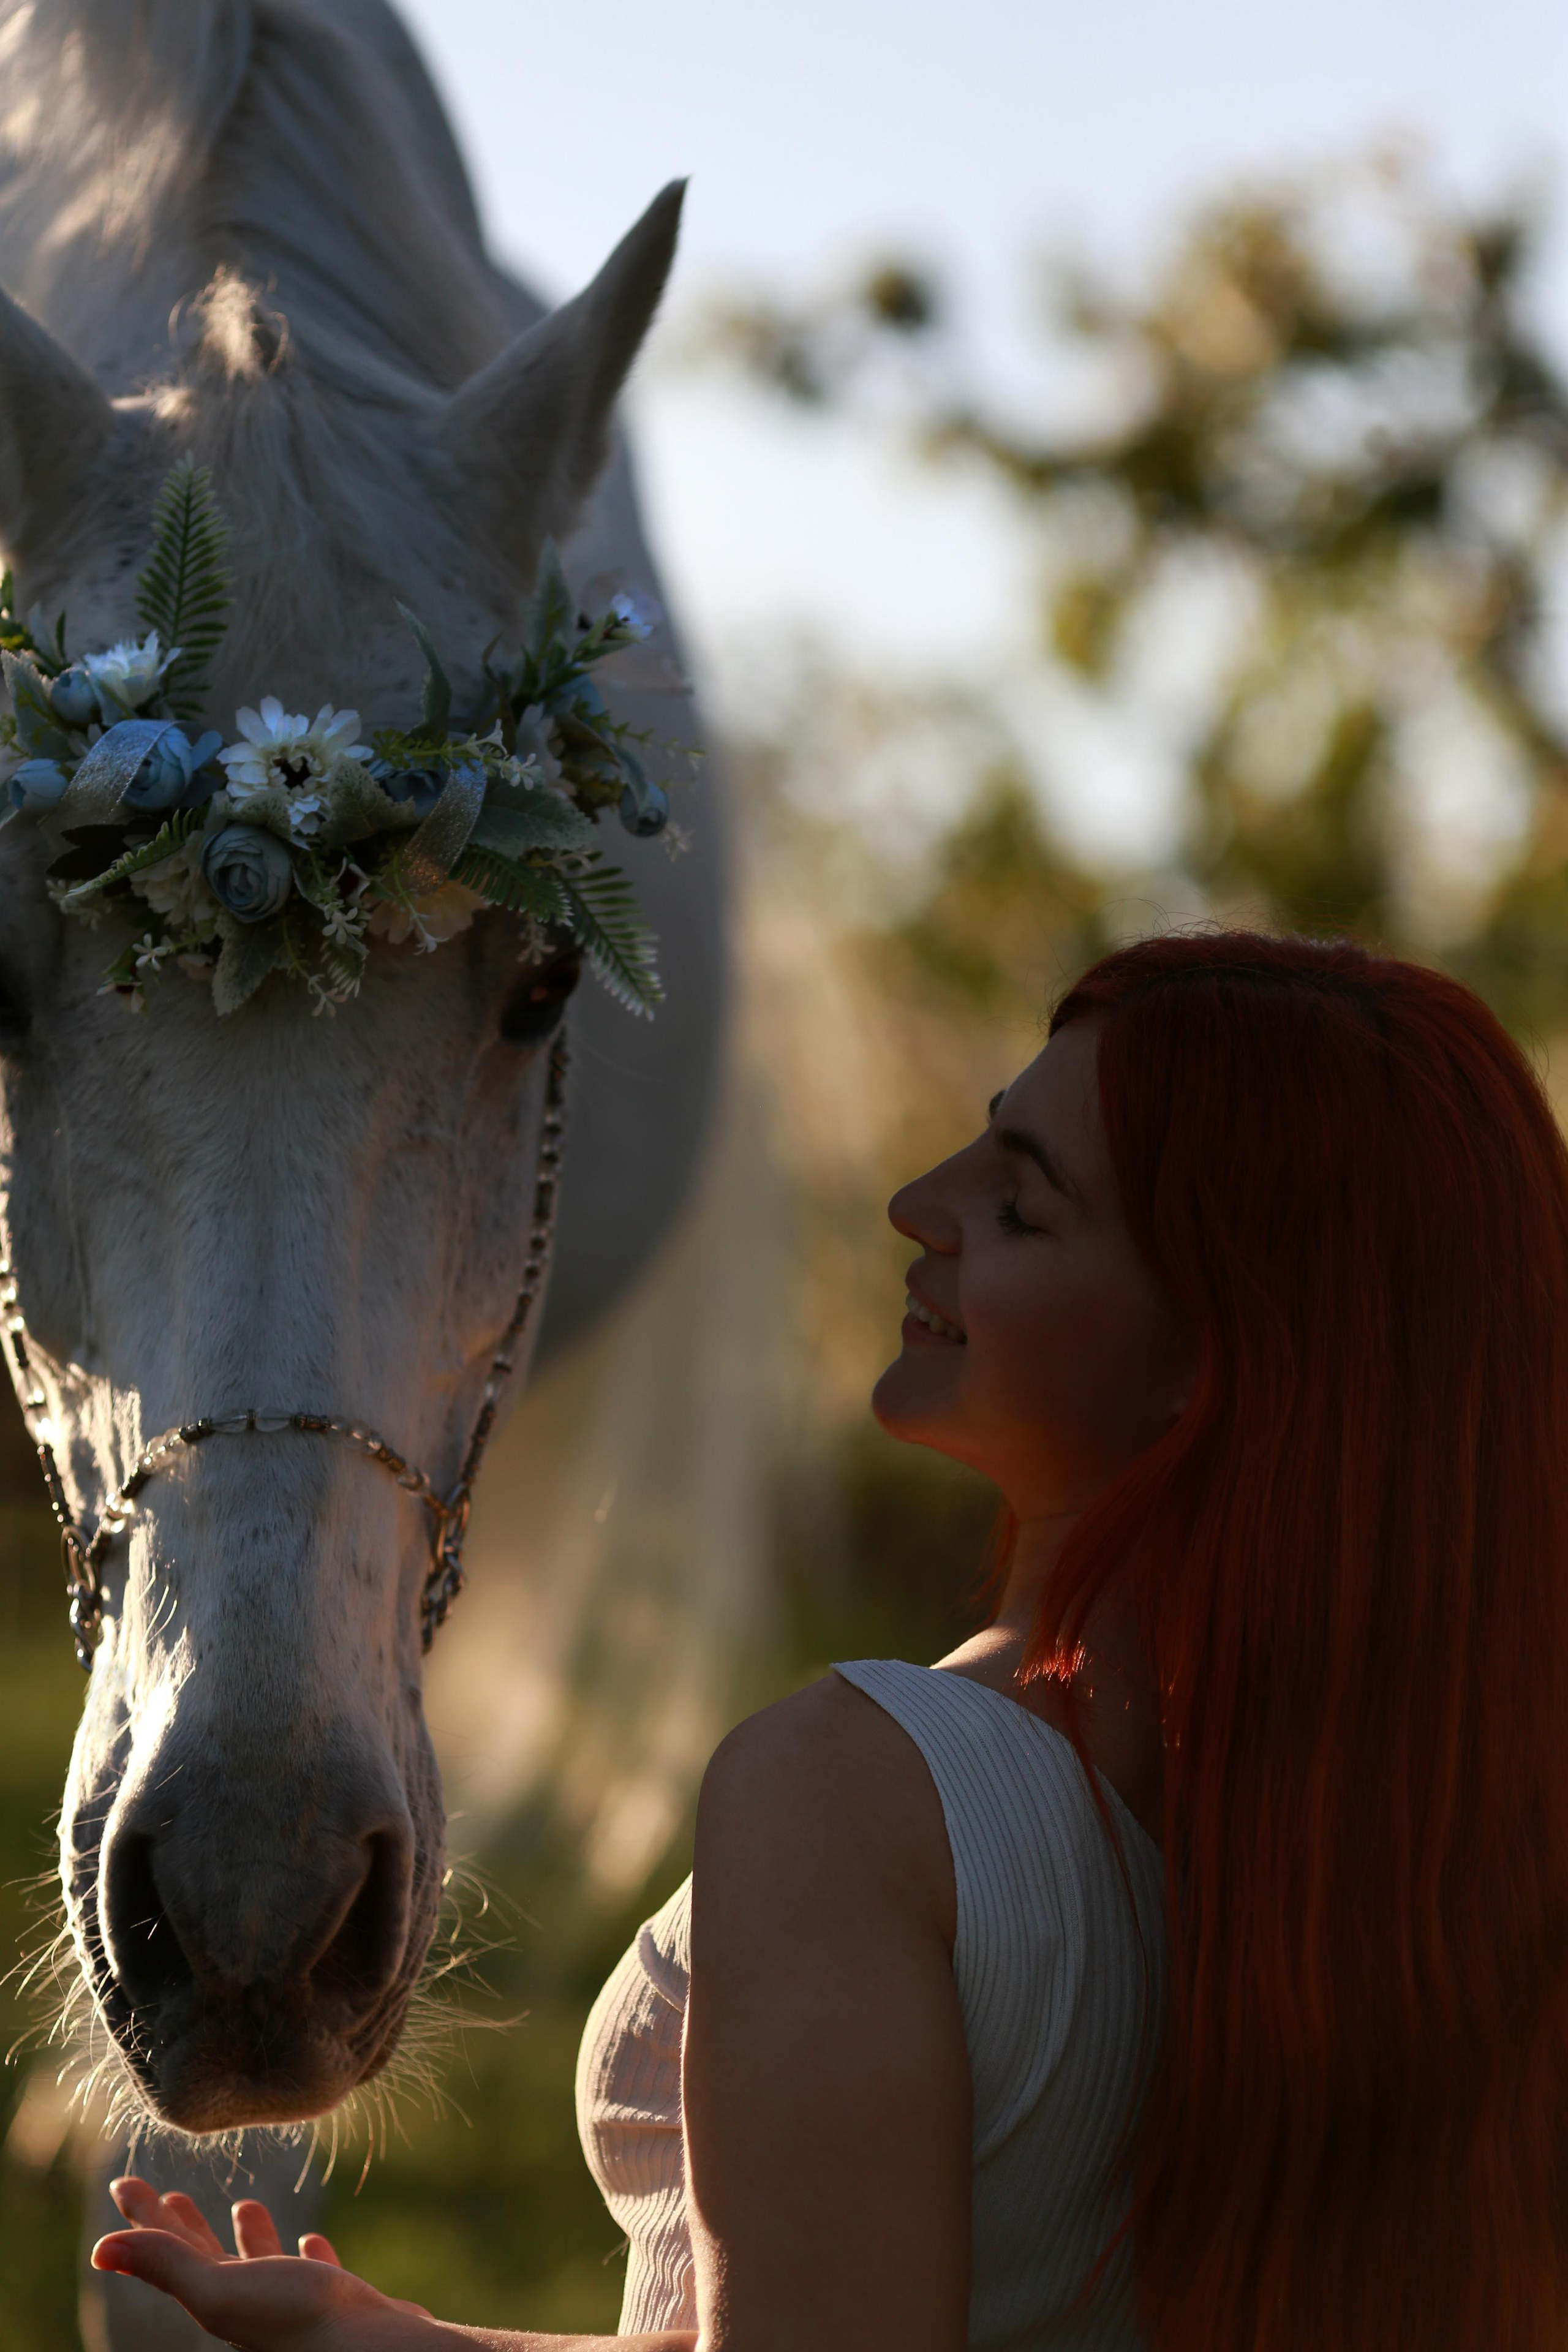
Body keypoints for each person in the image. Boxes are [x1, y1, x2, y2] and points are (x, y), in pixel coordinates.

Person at [95, 928, 1568, 2351]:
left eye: (1019, 1200)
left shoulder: (854, 1797)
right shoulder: (1423, 1835)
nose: (918, 1200)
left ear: (1209, 1357)